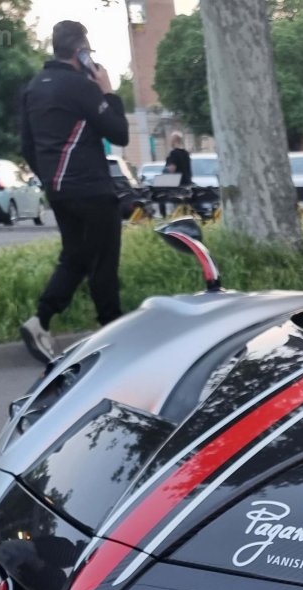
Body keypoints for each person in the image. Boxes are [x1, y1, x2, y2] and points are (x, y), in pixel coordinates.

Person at [17, 21, 130, 367]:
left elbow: (26, 146)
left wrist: (51, 179)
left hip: (59, 191)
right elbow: (119, 132)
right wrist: (109, 91)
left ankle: (40, 319)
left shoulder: (33, 88)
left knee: (77, 256)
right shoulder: (82, 87)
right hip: (92, 188)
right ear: (80, 49)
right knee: (104, 260)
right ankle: (113, 332)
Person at [155, 131, 192, 217]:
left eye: (171, 140)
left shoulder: (174, 153)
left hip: (176, 184)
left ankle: (163, 216)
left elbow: (172, 169)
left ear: (174, 140)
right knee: (184, 207)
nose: (170, 142)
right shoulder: (186, 153)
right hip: (187, 183)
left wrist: (164, 173)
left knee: (159, 193)